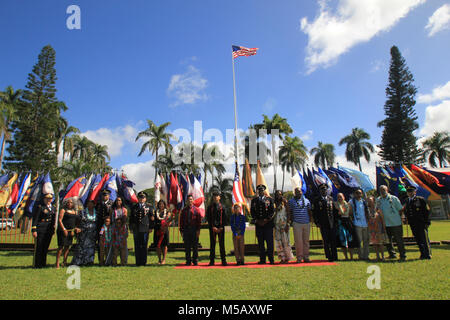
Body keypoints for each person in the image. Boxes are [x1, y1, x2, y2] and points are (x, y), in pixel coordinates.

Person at [376, 185, 406, 261]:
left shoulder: (393, 198)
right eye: (380, 190)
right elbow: (377, 210)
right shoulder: (378, 200)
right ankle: (392, 254)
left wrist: (401, 218)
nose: (382, 191)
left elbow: (400, 209)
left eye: (383, 189)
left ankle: (403, 255)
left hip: (395, 223)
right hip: (385, 224)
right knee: (387, 241)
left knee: (399, 240)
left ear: (387, 190)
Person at [402, 185, 432, 259]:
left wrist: (427, 222)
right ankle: (422, 253)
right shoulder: (407, 201)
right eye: (408, 191)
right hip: (413, 223)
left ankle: (427, 254)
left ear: (415, 192)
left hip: (421, 223)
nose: (410, 193)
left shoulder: (420, 199)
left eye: (411, 191)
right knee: (418, 239)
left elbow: (427, 211)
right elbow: (407, 211)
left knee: (424, 239)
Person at [312, 183, 338, 262]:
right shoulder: (317, 200)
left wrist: (335, 221)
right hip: (323, 224)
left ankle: (335, 256)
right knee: (326, 241)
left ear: (327, 190)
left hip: (331, 223)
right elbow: (315, 213)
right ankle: (329, 256)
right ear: (320, 191)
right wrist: (317, 223)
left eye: (325, 189)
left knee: (333, 240)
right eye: (322, 189)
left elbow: (334, 211)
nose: (323, 191)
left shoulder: (331, 199)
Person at [250, 184, 275, 264]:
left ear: (264, 191)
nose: (261, 191)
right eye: (259, 190)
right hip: (259, 225)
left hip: (268, 225)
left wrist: (266, 220)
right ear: (258, 191)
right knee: (261, 243)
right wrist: (257, 220)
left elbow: (272, 211)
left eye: (262, 190)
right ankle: (262, 260)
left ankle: (271, 259)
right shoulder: (254, 201)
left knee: (269, 243)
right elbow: (252, 212)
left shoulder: (269, 200)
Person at [31, 193, 57, 268]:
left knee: (45, 246)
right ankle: (37, 264)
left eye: (50, 199)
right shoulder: (40, 207)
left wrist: (53, 229)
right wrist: (34, 229)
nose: (48, 200)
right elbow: (36, 219)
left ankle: (43, 263)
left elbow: (53, 219)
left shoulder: (53, 208)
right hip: (41, 227)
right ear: (44, 199)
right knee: (39, 246)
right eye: (47, 199)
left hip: (49, 229)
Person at [287, 187, 312, 263]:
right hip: (297, 223)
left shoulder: (307, 201)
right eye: (297, 192)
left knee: (306, 241)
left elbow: (309, 211)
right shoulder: (291, 201)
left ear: (302, 192)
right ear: (295, 193)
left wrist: (310, 220)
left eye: (300, 191)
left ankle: (306, 257)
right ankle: (299, 257)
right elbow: (290, 212)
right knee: (298, 242)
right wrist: (291, 222)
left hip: (306, 223)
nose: (299, 193)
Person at [129, 191, 154, 266]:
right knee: (137, 246)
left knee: (144, 245)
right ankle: (138, 262)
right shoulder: (134, 207)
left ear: (145, 199)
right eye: (140, 197)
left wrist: (151, 227)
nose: (141, 199)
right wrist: (130, 228)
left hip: (145, 229)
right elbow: (131, 218)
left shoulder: (149, 207)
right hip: (136, 229)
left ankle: (143, 262)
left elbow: (151, 218)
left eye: (143, 198)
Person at [56, 198, 81, 268]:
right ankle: (57, 263)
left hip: (71, 231)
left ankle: (65, 261)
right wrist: (64, 229)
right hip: (63, 231)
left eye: (71, 203)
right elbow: (60, 220)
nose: (69, 204)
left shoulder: (75, 211)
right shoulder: (63, 210)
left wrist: (75, 228)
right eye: (68, 202)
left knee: (67, 247)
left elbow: (76, 221)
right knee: (61, 247)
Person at [72, 199, 97, 266]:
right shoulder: (82, 212)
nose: (90, 205)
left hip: (92, 233)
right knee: (81, 246)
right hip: (83, 232)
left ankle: (89, 261)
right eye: (89, 203)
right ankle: (79, 261)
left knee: (91, 247)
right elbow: (77, 221)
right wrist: (77, 228)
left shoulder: (96, 212)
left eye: (92, 203)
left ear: (94, 204)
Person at [206, 190, 228, 266]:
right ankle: (212, 261)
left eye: (217, 196)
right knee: (212, 244)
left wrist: (221, 227)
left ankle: (223, 261)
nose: (215, 197)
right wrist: (213, 227)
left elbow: (225, 218)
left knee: (222, 244)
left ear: (219, 197)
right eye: (214, 196)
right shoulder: (210, 207)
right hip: (213, 228)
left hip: (221, 228)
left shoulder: (223, 207)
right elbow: (208, 219)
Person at [179, 194, 202, 266]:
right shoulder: (184, 210)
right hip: (186, 230)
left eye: (191, 199)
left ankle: (195, 260)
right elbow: (181, 221)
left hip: (194, 229)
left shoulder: (197, 210)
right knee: (187, 246)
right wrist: (181, 231)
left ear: (193, 201)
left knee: (195, 246)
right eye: (188, 200)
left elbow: (199, 221)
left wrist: (198, 230)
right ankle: (188, 260)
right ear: (186, 201)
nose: (190, 201)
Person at [334, 193, 358, 260]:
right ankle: (346, 257)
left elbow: (350, 213)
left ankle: (351, 256)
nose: (340, 198)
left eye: (341, 197)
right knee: (342, 239)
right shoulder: (335, 205)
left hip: (348, 222)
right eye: (338, 197)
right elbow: (338, 213)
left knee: (350, 239)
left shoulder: (348, 204)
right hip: (341, 222)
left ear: (344, 197)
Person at [348, 188, 370, 261]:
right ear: (354, 194)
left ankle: (366, 255)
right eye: (357, 193)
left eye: (360, 193)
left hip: (365, 223)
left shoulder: (363, 202)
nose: (359, 195)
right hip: (357, 223)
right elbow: (349, 212)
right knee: (359, 241)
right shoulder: (351, 202)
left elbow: (367, 212)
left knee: (366, 240)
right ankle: (360, 255)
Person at [274, 190, 294, 264]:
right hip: (277, 224)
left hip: (284, 223)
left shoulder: (285, 202)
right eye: (277, 194)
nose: (278, 196)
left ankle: (287, 257)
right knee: (278, 241)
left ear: (282, 195)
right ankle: (282, 257)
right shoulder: (274, 203)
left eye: (279, 194)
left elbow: (289, 213)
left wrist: (288, 224)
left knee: (285, 241)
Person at [367, 196, 387, 261]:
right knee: (374, 243)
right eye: (368, 201)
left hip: (379, 227)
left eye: (371, 200)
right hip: (372, 229)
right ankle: (377, 256)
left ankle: (383, 256)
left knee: (380, 243)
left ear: (373, 201)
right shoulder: (367, 210)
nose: (369, 202)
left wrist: (384, 227)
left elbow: (382, 218)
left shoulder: (378, 209)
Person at [154, 199, 172, 265]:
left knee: (164, 245)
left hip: (164, 230)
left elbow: (169, 220)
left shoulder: (167, 212)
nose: (161, 205)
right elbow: (154, 220)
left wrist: (167, 223)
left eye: (162, 204)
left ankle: (164, 259)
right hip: (157, 230)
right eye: (160, 204)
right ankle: (159, 259)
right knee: (157, 245)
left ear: (164, 205)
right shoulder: (156, 212)